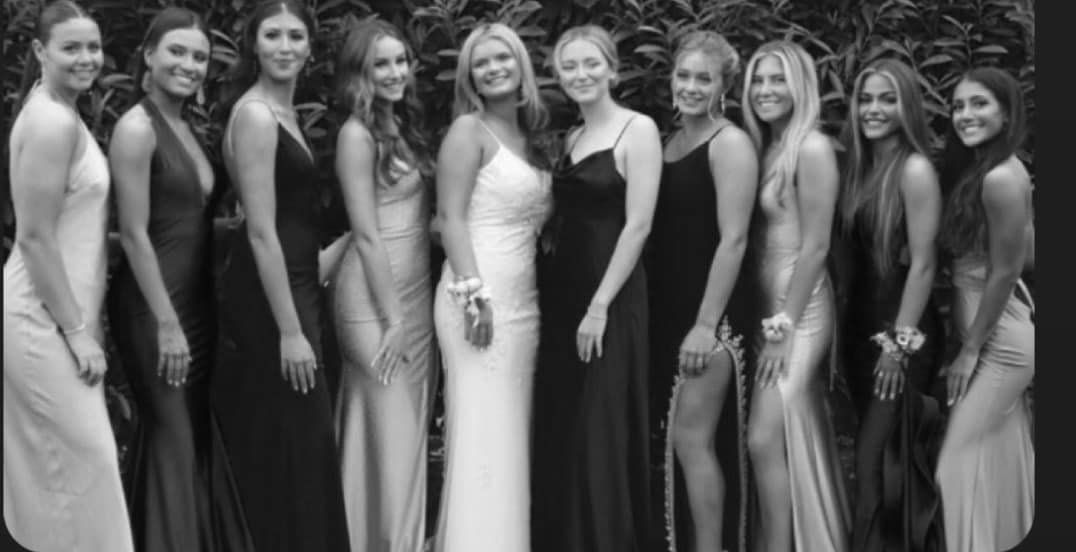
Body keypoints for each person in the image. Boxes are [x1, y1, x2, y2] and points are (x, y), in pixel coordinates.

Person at [208, 1, 349, 549]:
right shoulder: (256, 116)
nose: (285, 46)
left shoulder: (281, 112)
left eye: (295, 36)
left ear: (310, 47)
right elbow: (262, 231)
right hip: (273, 299)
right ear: (253, 43)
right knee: (298, 433)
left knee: (296, 436)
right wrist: (290, 331)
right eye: (273, 35)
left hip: (298, 283)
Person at [2, 1, 134, 550]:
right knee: (88, 470)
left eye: (93, 47)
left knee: (70, 482)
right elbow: (35, 238)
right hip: (41, 322)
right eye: (71, 47)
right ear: (39, 50)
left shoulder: (61, 112)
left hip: (57, 318)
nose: (86, 58)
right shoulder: (52, 122)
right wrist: (77, 331)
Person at [532, 24, 662, 552]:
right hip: (564, 293)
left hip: (612, 294)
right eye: (569, 67)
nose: (580, 74)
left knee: (601, 426)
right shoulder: (571, 138)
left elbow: (639, 225)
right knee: (566, 422)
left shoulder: (639, 130)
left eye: (591, 64)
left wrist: (600, 305)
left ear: (613, 69)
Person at [431, 22, 553, 552]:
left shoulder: (531, 137)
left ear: (521, 65)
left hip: (524, 303)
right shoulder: (468, 131)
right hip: (477, 301)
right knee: (482, 429)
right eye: (480, 62)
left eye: (502, 57)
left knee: (509, 433)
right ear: (470, 77)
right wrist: (474, 296)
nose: (493, 68)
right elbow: (450, 219)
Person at [107, 8, 219, 550]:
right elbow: (133, 234)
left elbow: (188, 219)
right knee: (173, 438)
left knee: (180, 441)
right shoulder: (136, 129)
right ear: (148, 54)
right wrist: (167, 324)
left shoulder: (187, 127)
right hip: (154, 310)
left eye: (200, 56)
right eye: (177, 51)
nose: (189, 65)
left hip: (194, 306)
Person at [648, 30, 759, 552]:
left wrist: (705, 324)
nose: (691, 86)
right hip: (669, 307)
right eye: (683, 75)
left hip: (711, 315)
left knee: (692, 439)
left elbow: (734, 240)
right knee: (678, 440)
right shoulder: (668, 143)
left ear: (723, 87)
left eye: (704, 79)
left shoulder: (729, 144)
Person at [331, 18, 437, 552]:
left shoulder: (402, 124)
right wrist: (394, 318)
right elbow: (366, 233)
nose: (395, 73)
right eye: (381, 65)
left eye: (401, 61)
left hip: (415, 294)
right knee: (388, 429)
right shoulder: (356, 135)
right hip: (373, 304)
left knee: (405, 433)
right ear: (360, 73)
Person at [740, 40, 850, 551]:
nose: (765, 90)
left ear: (800, 85)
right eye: (758, 80)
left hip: (799, 311)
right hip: (769, 308)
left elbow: (817, 246)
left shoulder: (812, 148)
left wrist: (784, 327)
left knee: (762, 436)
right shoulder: (768, 145)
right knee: (788, 429)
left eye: (777, 79)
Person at [836, 58, 947, 552]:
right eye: (865, 99)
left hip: (902, 334)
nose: (873, 109)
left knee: (877, 464)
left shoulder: (914, 168)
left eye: (887, 99)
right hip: (861, 331)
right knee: (880, 467)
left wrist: (898, 347)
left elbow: (923, 264)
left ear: (907, 107)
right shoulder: (860, 168)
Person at [934, 66, 1034, 552]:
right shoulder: (990, 170)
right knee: (1001, 459)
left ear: (1007, 112)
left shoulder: (1000, 178)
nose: (965, 115)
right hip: (993, 332)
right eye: (958, 106)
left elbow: (1007, 271)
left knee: (950, 467)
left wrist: (970, 349)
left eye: (979, 104)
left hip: (1000, 346)